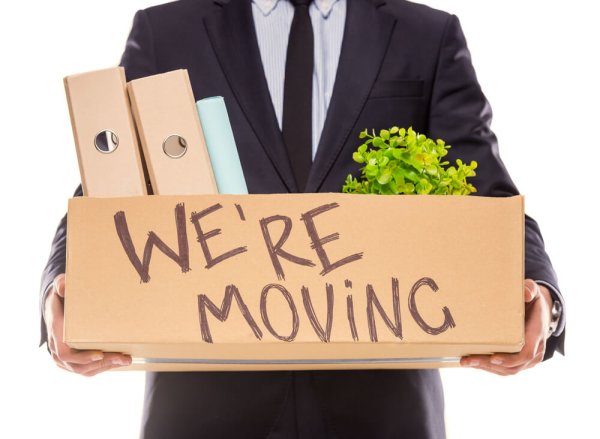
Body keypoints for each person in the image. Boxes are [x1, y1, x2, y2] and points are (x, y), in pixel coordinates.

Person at [40, 0, 566, 437]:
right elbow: (105, 189)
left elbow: (487, 195)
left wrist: (539, 292)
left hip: (381, 413)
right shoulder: (167, 30)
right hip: (206, 410)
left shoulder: (426, 34)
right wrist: (60, 292)